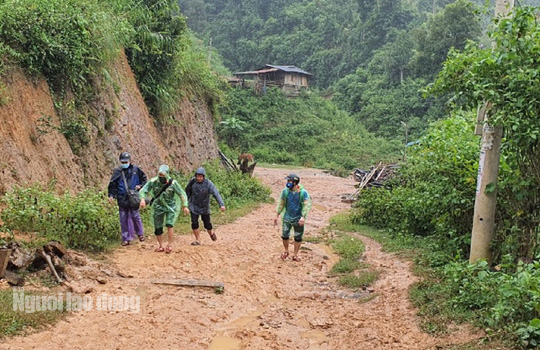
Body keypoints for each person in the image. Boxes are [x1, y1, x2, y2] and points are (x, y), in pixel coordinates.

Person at [139, 165, 190, 253]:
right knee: (158, 227)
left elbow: (182, 193)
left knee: (170, 224)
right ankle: (161, 246)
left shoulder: (173, 183)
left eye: (163, 174)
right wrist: (142, 199)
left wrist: (185, 205)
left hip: (171, 207)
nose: (161, 176)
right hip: (158, 207)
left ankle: (169, 245)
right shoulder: (153, 181)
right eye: (160, 174)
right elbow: (143, 190)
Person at [107, 152, 147, 246]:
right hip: (122, 197)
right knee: (123, 218)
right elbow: (112, 184)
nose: (125, 163)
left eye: (126, 161)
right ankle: (126, 238)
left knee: (135, 216)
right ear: (120, 161)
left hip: (133, 197)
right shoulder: (117, 171)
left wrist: (140, 186)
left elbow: (144, 179)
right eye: (123, 162)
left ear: (130, 161)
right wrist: (111, 195)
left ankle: (140, 234)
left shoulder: (135, 170)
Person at [273, 173, 312, 262]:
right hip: (287, 217)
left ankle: (295, 254)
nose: (288, 183)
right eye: (287, 181)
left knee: (298, 237)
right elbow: (281, 203)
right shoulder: (285, 192)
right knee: (285, 236)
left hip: (298, 218)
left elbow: (307, 205)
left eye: (289, 181)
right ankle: (286, 251)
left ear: (295, 182)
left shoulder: (303, 192)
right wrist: (277, 215)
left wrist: (303, 216)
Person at [185, 167, 226, 246]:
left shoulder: (208, 183)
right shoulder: (192, 182)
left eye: (201, 176)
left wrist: (221, 204)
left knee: (207, 224)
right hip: (194, 206)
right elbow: (187, 192)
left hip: (204, 207)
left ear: (203, 177)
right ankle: (198, 239)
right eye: (198, 176)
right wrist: (185, 204)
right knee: (194, 223)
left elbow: (216, 193)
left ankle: (211, 233)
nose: (199, 178)